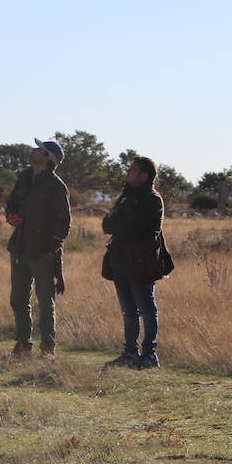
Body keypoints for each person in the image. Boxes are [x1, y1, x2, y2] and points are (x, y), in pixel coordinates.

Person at [6, 139, 72, 358]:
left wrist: (50, 250)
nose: (33, 150)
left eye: (40, 149)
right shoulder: (24, 178)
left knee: (45, 302)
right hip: (20, 248)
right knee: (18, 299)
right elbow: (11, 206)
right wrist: (11, 217)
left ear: (48, 159)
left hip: (43, 252)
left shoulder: (56, 185)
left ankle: (47, 349)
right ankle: (23, 346)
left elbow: (64, 222)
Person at [102, 155, 165, 369]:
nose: (127, 173)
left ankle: (149, 355)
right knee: (129, 309)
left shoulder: (152, 199)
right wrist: (118, 221)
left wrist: (117, 220)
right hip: (119, 259)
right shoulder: (126, 196)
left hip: (140, 262)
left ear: (144, 176)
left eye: (132, 170)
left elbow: (134, 227)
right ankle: (130, 353)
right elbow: (107, 225)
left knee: (147, 309)